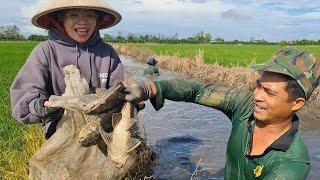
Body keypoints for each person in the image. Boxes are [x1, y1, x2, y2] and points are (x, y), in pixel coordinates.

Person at [123, 48, 320, 179]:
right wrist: (150, 89)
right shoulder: (244, 106)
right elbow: (199, 91)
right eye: (258, 86)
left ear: (297, 103)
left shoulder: (291, 164)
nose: (257, 96)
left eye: (269, 92)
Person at [10, 0, 124, 139]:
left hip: (101, 131)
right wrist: (42, 105)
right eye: (73, 15)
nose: (83, 22)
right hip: (60, 132)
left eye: (90, 16)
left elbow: (119, 90)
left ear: (98, 20)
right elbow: (25, 94)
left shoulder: (107, 53)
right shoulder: (46, 51)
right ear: (61, 19)